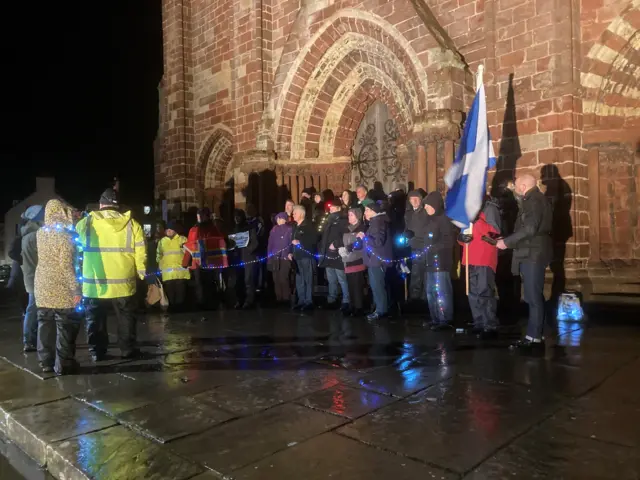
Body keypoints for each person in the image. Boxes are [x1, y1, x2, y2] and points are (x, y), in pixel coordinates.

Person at [76, 189, 147, 361]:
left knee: (95, 318)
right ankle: (127, 349)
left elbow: (77, 251)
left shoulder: (85, 224)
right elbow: (141, 252)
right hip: (123, 281)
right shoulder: (133, 224)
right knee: (126, 317)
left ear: (101, 204)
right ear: (118, 206)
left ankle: (97, 351)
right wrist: (142, 274)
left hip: (94, 282)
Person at [497, 174, 553, 353]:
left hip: (532, 253)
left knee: (532, 297)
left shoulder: (533, 200)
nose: (516, 189)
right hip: (532, 251)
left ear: (523, 185)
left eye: (517, 186)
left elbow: (529, 228)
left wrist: (506, 242)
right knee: (533, 295)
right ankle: (535, 336)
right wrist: (508, 239)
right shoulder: (535, 199)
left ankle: (534, 340)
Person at [34, 200, 82, 375]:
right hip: (60, 286)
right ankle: (64, 364)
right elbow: (66, 265)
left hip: (42, 284)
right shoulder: (65, 236)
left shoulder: (40, 233)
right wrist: (76, 289)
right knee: (64, 325)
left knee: (44, 323)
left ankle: (45, 362)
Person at [459, 197, 501, 339]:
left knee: (484, 290)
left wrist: (478, 222)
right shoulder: (468, 211)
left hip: (484, 257)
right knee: (472, 292)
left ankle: (490, 324)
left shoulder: (490, 209)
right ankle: (479, 322)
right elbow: (463, 233)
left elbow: (495, 232)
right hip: (469, 257)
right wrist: (461, 238)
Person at [183, 207, 228, 310]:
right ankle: (201, 302)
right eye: (199, 215)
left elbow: (220, 243)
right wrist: (185, 262)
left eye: (202, 215)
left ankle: (211, 302)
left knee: (210, 282)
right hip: (197, 262)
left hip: (210, 262)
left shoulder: (213, 228)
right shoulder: (193, 229)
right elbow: (189, 246)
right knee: (199, 282)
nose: (200, 217)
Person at [422, 192, 454, 331]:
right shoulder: (429, 220)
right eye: (426, 206)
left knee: (442, 291)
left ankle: (444, 319)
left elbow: (449, 240)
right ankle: (435, 318)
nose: (426, 208)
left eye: (429, 205)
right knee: (430, 291)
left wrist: (433, 247)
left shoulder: (444, 219)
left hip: (441, 260)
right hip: (429, 260)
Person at [359, 199, 392, 321]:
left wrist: (364, 237)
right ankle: (380, 308)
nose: (365, 213)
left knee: (377, 285)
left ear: (374, 211)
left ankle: (381, 310)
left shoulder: (378, 222)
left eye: (367, 210)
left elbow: (378, 241)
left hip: (377, 259)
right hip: (374, 259)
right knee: (376, 285)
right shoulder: (375, 222)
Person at [20, 205, 45, 352]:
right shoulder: (35, 236)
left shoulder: (27, 235)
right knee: (33, 310)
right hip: (36, 278)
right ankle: (29, 340)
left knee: (33, 309)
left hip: (32, 277)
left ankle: (30, 339)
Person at [318, 203, 349, 311]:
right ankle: (332, 299)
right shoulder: (328, 221)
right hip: (328, 254)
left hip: (337, 254)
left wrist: (336, 244)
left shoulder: (343, 220)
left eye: (333, 208)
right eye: (330, 208)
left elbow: (345, 236)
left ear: (339, 208)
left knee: (342, 279)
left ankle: (346, 300)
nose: (330, 210)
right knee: (331, 279)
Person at [228, 209, 259, 309]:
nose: (236, 219)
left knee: (248, 280)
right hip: (237, 258)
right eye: (235, 217)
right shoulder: (233, 230)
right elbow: (230, 245)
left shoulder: (249, 229)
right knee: (238, 280)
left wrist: (247, 247)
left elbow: (255, 243)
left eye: (238, 216)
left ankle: (249, 301)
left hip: (247, 257)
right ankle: (239, 300)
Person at [339, 208, 367, 317]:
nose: (349, 217)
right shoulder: (346, 228)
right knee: (350, 284)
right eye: (349, 215)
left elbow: (359, 243)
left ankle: (359, 307)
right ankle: (352, 306)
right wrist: (340, 247)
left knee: (357, 284)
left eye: (351, 215)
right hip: (347, 259)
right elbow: (342, 240)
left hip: (357, 259)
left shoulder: (362, 228)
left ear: (357, 216)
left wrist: (348, 248)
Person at [157, 221, 190, 312]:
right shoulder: (162, 241)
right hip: (168, 273)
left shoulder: (182, 239)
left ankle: (179, 308)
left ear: (175, 230)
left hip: (181, 272)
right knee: (169, 292)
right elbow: (159, 255)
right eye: (167, 229)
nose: (168, 231)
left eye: (171, 229)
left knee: (180, 291)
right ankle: (171, 308)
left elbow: (188, 253)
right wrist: (159, 266)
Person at [290, 205, 316, 311]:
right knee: (299, 279)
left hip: (306, 256)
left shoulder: (309, 226)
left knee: (307, 279)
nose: (293, 215)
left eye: (295, 213)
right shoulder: (295, 226)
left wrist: (300, 242)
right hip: (297, 256)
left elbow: (313, 240)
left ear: (301, 214)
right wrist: (291, 252)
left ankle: (308, 301)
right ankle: (301, 300)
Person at [404, 190, 428, 307]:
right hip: (413, 246)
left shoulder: (425, 212)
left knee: (424, 272)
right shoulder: (408, 214)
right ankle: (414, 297)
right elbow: (406, 228)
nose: (414, 201)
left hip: (424, 246)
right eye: (411, 199)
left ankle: (424, 297)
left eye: (416, 198)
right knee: (415, 272)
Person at [267, 212, 293, 304]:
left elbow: (290, 243)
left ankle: (286, 298)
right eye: (277, 218)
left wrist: (290, 253)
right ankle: (279, 298)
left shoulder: (289, 229)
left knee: (283, 278)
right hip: (275, 257)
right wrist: (269, 258)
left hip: (285, 258)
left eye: (280, 218)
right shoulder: (274, 230)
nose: (278, 220)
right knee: (276, 279)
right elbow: (270, 245)